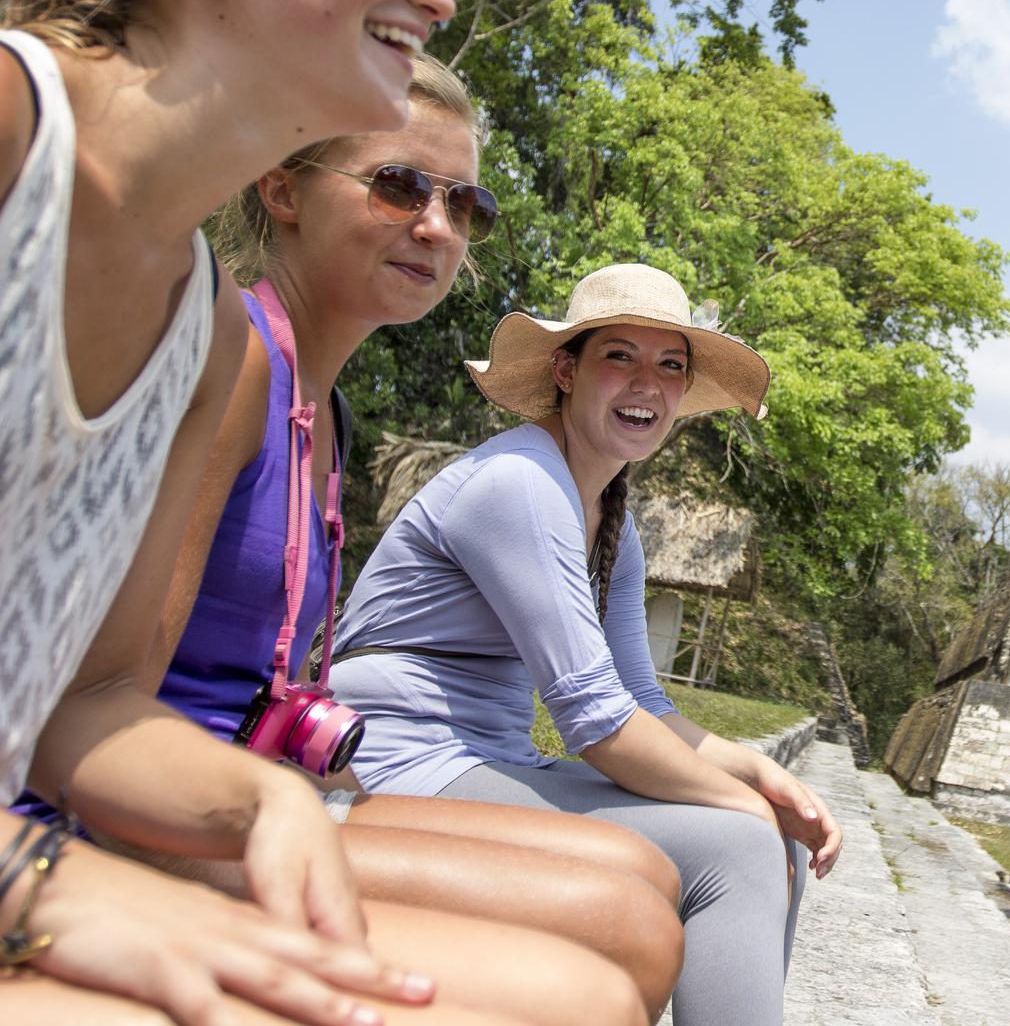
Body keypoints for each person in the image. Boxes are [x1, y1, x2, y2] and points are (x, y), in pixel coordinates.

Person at [0, 0, 635, 1022]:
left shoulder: (191, 312)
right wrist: (41, 879)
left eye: (467, 202)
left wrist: (269, 798)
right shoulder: (15, 136)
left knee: (581, 993)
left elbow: (93, 703)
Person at [127, 57, 681, 1022]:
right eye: (398, 185)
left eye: (465, 205)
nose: (437, 225)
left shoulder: (327, 414)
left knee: (639, 887)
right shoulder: (234, 359)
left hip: (277, 793)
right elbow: (114, 710)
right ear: (283, 186)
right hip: (167, 825)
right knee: (612, 947)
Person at [331, 264, 845, 1026]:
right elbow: (596, 724)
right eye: (620, 357)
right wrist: (743, 805)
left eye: (671, 365)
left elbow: (643, 700)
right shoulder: (517, 483)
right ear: (566, 371)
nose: (648, 383)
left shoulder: (611, 518)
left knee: (763, 828)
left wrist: (762, 773)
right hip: (396, 763)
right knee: (739, 845)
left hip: (490, 759)